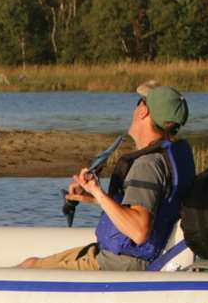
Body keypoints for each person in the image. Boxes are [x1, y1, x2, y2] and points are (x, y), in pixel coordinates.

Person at [21, 82, 193, 271]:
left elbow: (139, 231)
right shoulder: (169, 157)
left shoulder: (148, 165)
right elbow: (155, 207)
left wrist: (98, 191)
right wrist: (92, 197)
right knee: (30, 262)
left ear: (143, 111)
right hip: (127, 257)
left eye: (139, 103)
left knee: (28, 268)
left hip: (121, 263)